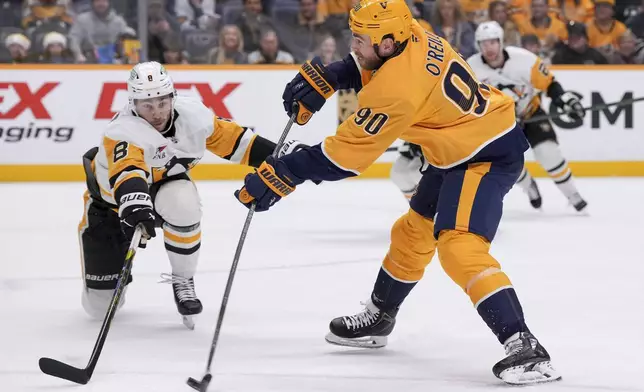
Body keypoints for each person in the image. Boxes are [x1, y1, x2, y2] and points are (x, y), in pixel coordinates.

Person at [234, 0, 561, 385]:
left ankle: (525, 346)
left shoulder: (396, 93)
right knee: (411, 233)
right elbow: (377, 65)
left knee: (459, 246)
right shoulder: (415, 32)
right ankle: (380, 316)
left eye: (360, 40)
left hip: (485, 154)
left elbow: (344, 157)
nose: (353, 46)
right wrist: (334, 75)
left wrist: (285, 171)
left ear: (389, 42)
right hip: (457, 147)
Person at [79, 61, 303, 329]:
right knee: (100, 309)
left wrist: (284, 158)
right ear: (133, 104)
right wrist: (135, 206)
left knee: (184, 204)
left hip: (166, 187)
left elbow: (238, 143)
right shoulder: (122, 131)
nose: (157, 112)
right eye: (147, 105)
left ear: (172, 97)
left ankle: (183, 280)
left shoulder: (193, 116)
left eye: (162, 102)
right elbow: (128, 173)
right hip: (111, 205)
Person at [468, 21, 587, 211]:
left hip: (530, 112)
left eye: (492, 42)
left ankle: (571, 193)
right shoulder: (471, 69)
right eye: (483, 43)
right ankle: (529, 185)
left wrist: (565, 100)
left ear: (500, 41)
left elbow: (549, 84)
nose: (488, 48)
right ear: (478, 45)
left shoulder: (525, 60)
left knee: (549, 154)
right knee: (510, 163)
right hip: (500, 124)